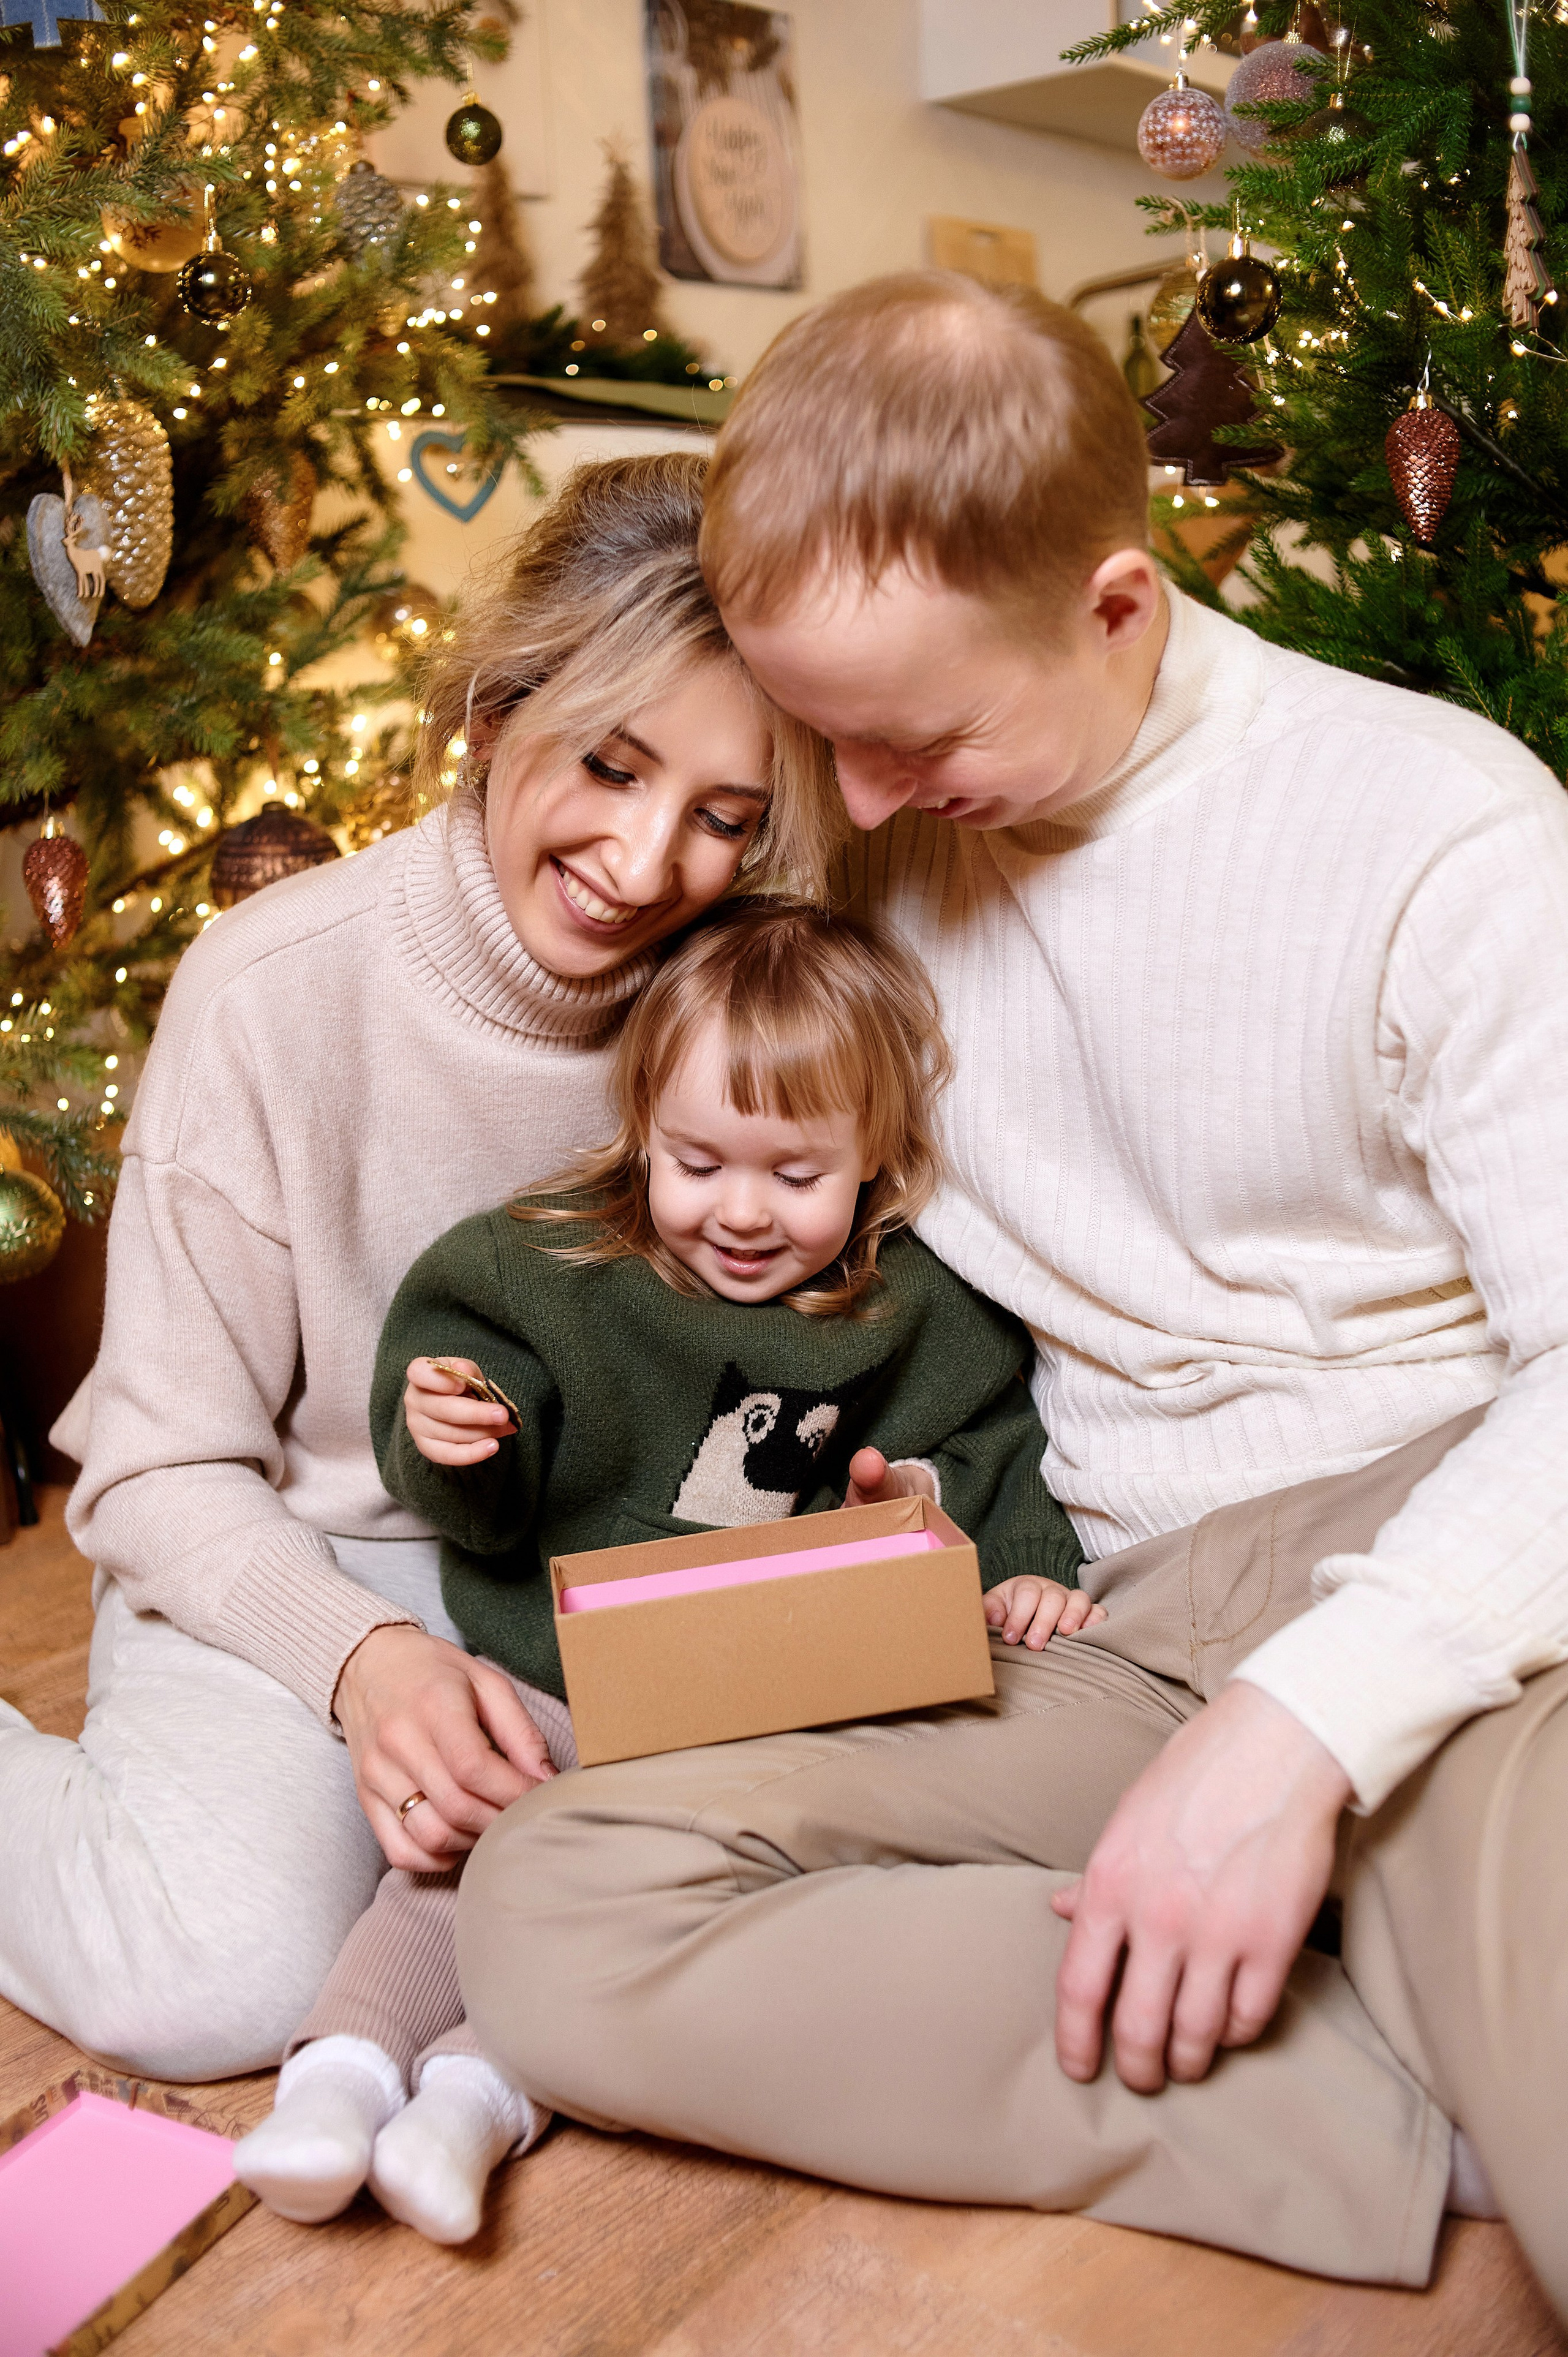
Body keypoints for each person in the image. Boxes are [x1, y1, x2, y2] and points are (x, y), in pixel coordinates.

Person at [454, 275, 1568, 2309]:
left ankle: (1395, 1955)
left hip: (1453, 1572)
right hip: (1108, 1618)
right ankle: (1381, 2082)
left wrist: (1310, 1724)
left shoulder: (1446, 833)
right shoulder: (876, 822)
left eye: (918, 737)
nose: (861, 810)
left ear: (1118, 607)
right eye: (828, 740)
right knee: (555, 1904)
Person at [0, 453, 846, 2081]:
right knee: (216, 1983)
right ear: (495, 712)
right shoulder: (271, 988)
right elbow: (158, 1469)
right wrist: (362, 1664)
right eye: (608, 765)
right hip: (304, 1542)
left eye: (722, 819)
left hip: (601, 1572)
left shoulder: (754, 1005)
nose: (646, 862)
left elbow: (814, 1325)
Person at [232, 899, 1093, 2243]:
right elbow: (468, 1464)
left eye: (795, 1176)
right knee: (466, 1845)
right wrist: (453, 1433)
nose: (740, 1212)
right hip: (558, 1665)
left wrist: (1014, 1562)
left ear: (876, 1156)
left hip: (758, 1715)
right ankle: (335, 2076)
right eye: (697, 1162)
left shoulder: (915, 1306)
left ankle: (474, 2100)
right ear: (641, 1124)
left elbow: (990, 1442)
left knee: (636, 1904)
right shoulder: (545, 1265)